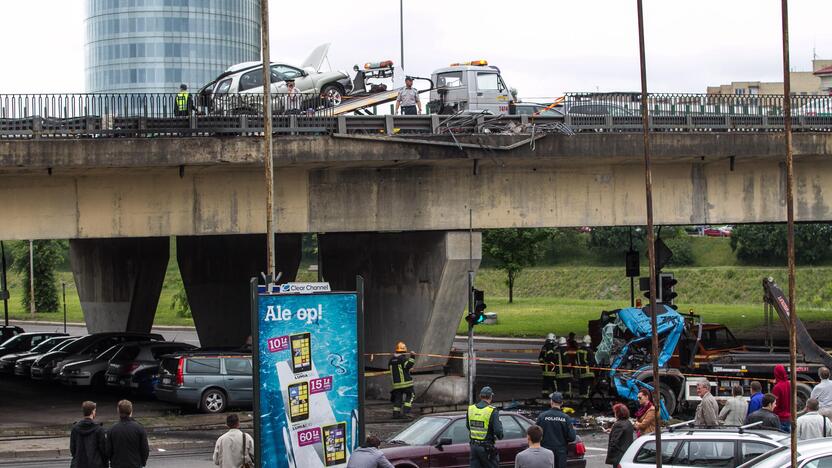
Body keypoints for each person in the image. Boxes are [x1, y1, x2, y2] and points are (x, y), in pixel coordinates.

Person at [535, 392, 576, 468]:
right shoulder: (566, 418)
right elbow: (572, 437)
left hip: (545, 451)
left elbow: (535, 434)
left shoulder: (542, 416)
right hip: (560, 453)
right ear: (562, 403)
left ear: (551, 402)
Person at [467, 386, 503, 468]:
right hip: (487, 448)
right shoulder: (492, 410)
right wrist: (500, 436)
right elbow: (498, 431)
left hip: (474, 447)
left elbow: (468, 426)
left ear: (480, 396)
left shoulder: (471, 409)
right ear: (490, 397)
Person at [106, 400, 149, 468]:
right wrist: (142, 463)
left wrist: (112, 462)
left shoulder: (112, 429)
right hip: (135, 464)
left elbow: (108, 450)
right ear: (131, 411)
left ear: (118, 411)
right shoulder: (139, 428)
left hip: (117, 464)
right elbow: (145, 449)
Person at [70, 401, 107, 468]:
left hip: (79, 464)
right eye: (95, 411)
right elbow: (103, 450)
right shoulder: (99, 429)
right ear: (92, 412)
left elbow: (73, 449)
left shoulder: (75, 429)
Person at [388, 341, 415, 419]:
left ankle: (396, 414)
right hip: (406, 383)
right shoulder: (402, 359)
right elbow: (408, 365)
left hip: (396, 385)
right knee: (411, 395)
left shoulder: (391, 360)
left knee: (398, 398)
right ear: (404, 350)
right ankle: (406, 413)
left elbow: (399, 369)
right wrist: (412, 356)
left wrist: (407, 369)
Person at [772, 364, 792, 432]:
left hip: (779, 418)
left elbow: (776, 404)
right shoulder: (789, 384)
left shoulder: (777, 387)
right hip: (788, 416)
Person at [538, 333, 558, 399]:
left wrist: (543, 365)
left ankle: (544, 397)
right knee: (554, 384)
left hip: (545, 371)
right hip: (551, 370)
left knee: (545, 385)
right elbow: (551, 356)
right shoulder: (550, 347)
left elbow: (540, 358)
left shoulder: (544, 347)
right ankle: (556, 397)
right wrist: (553, 363)